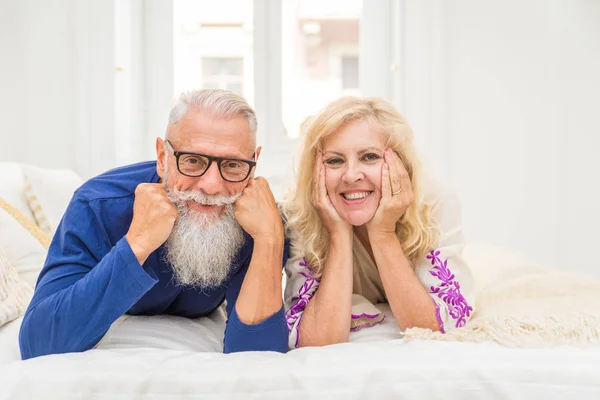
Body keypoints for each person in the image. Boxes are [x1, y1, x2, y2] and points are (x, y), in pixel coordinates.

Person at [19, 89, 290, 359]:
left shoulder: (258, 219)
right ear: (163, 157)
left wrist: (270, 238)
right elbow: (39, 344)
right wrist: (137, 242)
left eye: (233, 165)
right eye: (193, 161)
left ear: (253, 166)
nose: (211, 186)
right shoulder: (97, 204)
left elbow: (256, 356)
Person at [282, 97, 475, 349]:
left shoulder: (435, 203)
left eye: (370, 157)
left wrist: (383, 232)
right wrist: (338, 233)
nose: (351, 175)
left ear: (400, 164)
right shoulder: (300, 214)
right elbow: (316, 340)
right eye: (334, 160)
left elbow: (436, 328)